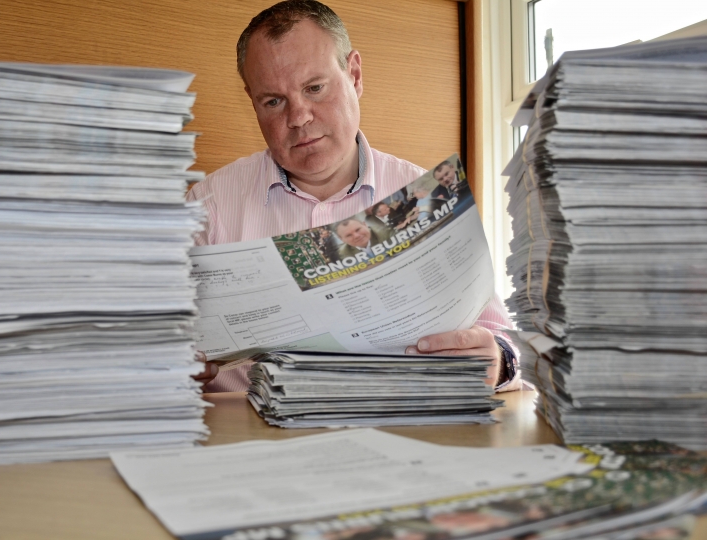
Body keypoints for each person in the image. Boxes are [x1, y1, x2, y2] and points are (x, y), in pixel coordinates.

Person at [188, 0, 520, 393]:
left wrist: (499, 361)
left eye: (315, 88)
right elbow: (144, 341)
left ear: (355, 75)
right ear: (253, 102)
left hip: (399, 430)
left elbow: (508, 343)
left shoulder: (428, 198)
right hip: (249, 436)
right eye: (273, 101)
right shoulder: (207, 205)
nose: (298, 117)